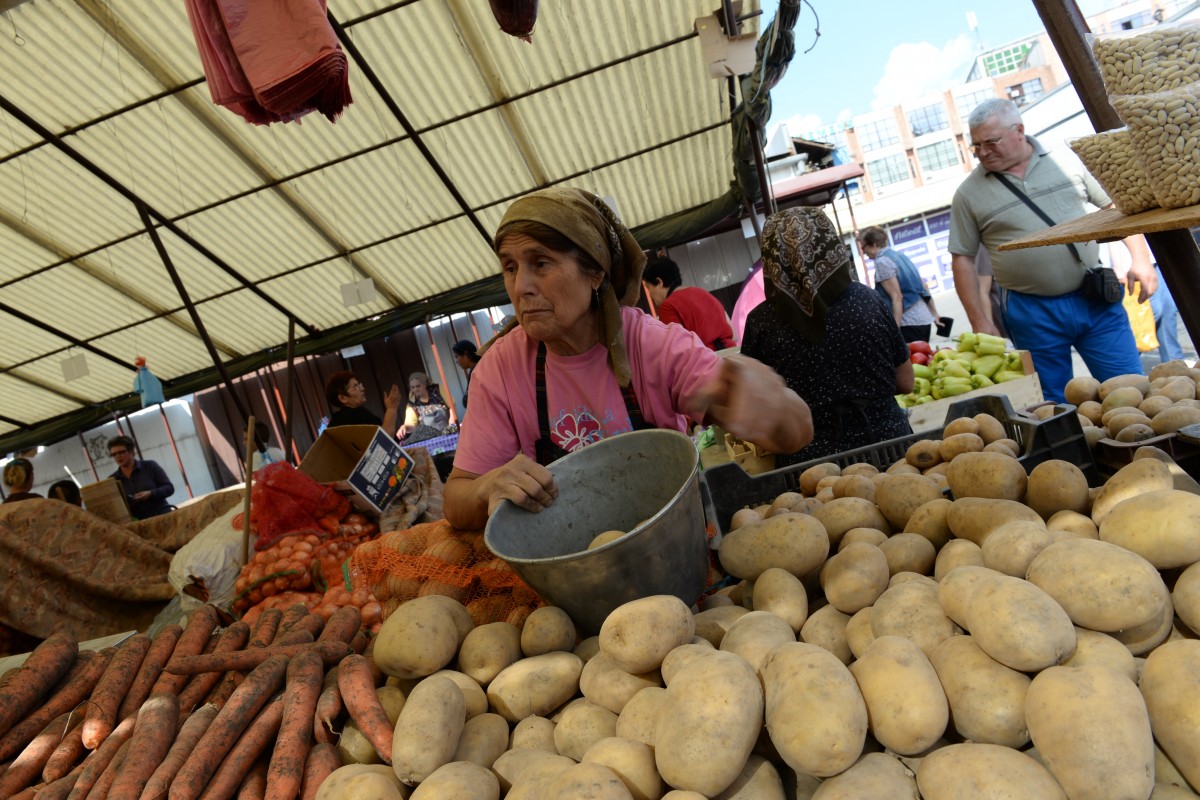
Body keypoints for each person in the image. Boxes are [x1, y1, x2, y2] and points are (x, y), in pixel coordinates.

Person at [444, 186, 813, 530]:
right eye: (510, 268)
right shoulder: (499, 371)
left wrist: (766, 406)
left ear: (594, 271)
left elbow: (796, 431)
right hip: (566, 571)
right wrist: (485, 487)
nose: (521, 286)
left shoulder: (651, 346)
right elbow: (455, 501)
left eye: (540, 263)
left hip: (674, 550)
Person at [948, 97, 1157, 403]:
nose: (982, 152)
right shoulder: (968, 194)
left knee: (1129, 387)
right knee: (1053, 404)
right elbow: (962, 260)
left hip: (1095, 296)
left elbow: (1117, 206)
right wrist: (980, 320)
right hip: (1030, 311)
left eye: (990, 142)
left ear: (1019, 130)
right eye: (975, 146)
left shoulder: (1067, 159)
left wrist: (1141, 259)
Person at [742, 208, 914, 467]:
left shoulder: (761, 322)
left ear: (771, 257)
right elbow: (906, 382)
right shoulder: (867, 299)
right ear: (830, 247)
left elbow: (756, 411)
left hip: (815, 471)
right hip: (891, 451)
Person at [858, 226, 943, 343]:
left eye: (863, 247)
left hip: (908, 322)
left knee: (914, 360)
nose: (863, 252)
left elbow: (897, 297)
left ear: (873, 245)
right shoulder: (900, 256)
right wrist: (935, 314)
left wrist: (895, 330)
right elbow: (924, 286)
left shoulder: (882, 262)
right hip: (924, 318)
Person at [642, 256, 736, 351]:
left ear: (659, 282)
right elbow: (734, 334)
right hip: (732, 353)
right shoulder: (703, 293)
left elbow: (679, 349)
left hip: (708, 362)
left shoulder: (668, 306)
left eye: (648, 287)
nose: (649, 294)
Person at [107, 436, 174, 519]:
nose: (118, 456)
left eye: (121, 452)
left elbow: (169, 488)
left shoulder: (150, 466)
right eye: (114, 454)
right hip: (139, 524)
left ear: (132, 452)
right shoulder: (112, 480)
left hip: (164, 516)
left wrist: (151, 493)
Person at [325, 371, 401, 435]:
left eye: (359, 385)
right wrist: (391, 409)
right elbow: (383, 442)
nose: (362, 388)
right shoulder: (355, 414)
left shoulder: (335, 423)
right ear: (343, 398)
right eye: (355, 387)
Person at [398, 372, 457, 442]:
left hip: (447, 430)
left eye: (418, 386)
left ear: (425, 384)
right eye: (413, 387)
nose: (415, 390)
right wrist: (404, 427)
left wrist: (452, 422)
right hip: (430, 438)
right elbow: (411, 425)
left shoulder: (437, 390)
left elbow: (452, 405)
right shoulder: (412, 403)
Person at [451, 339, 482, 410]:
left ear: (466, 354)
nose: (456, 361)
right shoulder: (475, 370)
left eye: (457, 357)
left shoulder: (477, 371)